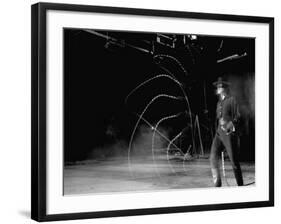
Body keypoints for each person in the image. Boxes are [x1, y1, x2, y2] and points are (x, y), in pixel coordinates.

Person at [210, 77, 243, 187]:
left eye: (220, 86)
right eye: (218, 86)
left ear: (224, 88)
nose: (218, 88)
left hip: (228, 135)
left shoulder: (232, 100)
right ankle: (217, 185)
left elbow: (238, 116)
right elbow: (218, 118)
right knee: (213, 158)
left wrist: (229, 125)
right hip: (219, 134)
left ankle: (240, 186)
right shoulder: (219, 102)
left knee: (234, 162)